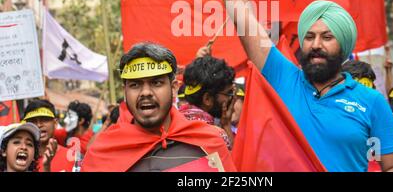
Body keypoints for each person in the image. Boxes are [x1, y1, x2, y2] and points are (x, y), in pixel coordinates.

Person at [206, 0, 393, 172]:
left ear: (344, 47)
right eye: (309, 37)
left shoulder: (371, 101)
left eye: (327, 37)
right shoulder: (283, 77)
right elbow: (243, 17)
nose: (315, 45)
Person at [81, 42, 236, 172]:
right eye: (135, 85)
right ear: (125, 92)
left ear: (174, 88)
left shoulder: (209, 142)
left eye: (156, 83)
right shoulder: (102, 152)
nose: (146, 92)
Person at [342, 60, 393, 171]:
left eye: (364, 88)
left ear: (373, 89)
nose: (357, 95)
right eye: (351, 89)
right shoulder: (331, 120)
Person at [179, 56, 236, 148]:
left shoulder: (171, 123)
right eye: (228, 93)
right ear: (207, 99)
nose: (232, 98)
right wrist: (226, 126)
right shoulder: (215, 136)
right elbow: (232, 161)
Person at [23, 99, 74, 172]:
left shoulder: (73, 157)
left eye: (44, 119)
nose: (39, 125)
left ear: (55, 123)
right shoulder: (20, 159)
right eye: (33, 121)